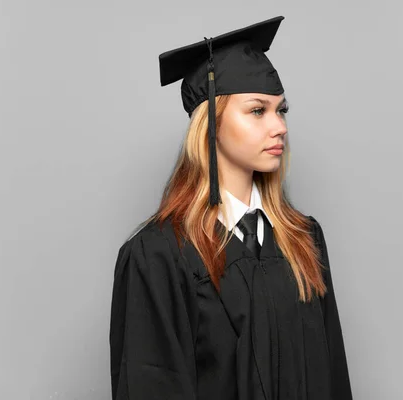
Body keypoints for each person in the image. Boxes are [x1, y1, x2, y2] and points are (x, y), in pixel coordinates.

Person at [109, 15, 353, 400]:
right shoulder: (158, 256)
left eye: (281, 110)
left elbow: (333, 377)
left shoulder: (304, 240)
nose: (280, 127)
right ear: (211, 125)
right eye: (258, 111)